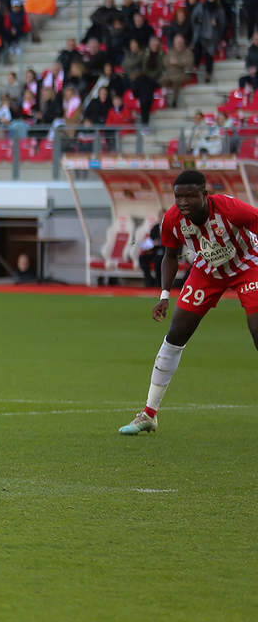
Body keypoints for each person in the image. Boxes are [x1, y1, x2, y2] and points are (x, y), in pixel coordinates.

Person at [120, 171, 258, 435]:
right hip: (207, 271)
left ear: (204, 195)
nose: (183, 202)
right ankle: (148, 413)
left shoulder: (230, 209)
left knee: (257, 330)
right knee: (175, 335)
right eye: (178, 196)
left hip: (248, 265)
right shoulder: (172, 219)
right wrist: (164, 295)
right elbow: (170, 256)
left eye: (190, 196)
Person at [138, 219, 163, 287]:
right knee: (142, 257)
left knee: (158, 260)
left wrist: (160, 242)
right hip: (154, 250)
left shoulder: (169, 227)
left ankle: (159, 282)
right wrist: (151, 245)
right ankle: (149, 279)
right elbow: (151, 239)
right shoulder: (155, 228)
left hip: (164, 251)